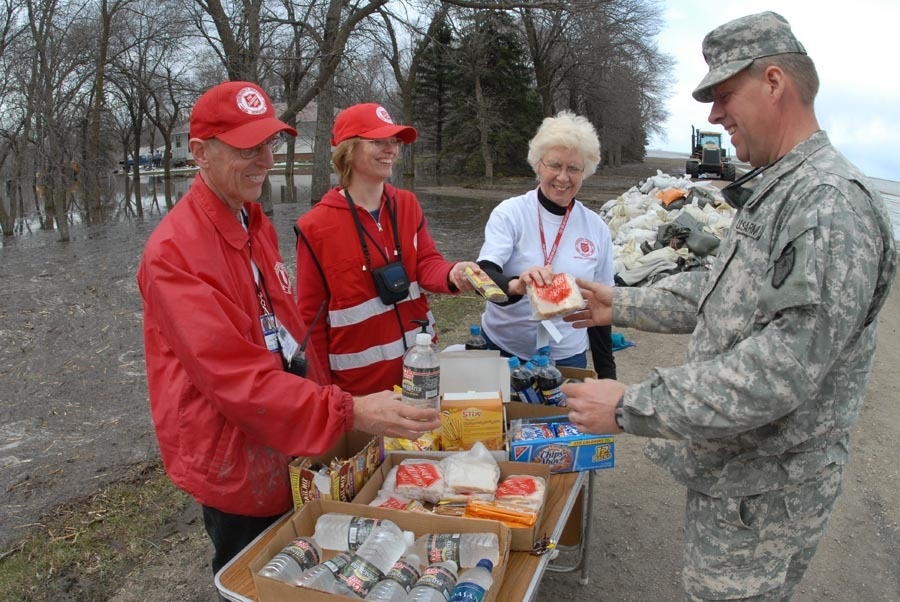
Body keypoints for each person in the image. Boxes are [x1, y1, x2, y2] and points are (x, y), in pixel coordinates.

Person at [561, 12, 896, 600]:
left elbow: (780, 369)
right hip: (737, 477)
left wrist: (631, 404)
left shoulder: (826, 205)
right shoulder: (779, 189)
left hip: (766, 490)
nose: (714, 116)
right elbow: (720, 292)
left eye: (723, 94)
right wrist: (619, 302)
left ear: (773, 82)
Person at [136, 82, 439, 595]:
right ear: (199, 152)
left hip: (285, 436)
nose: (262, 160)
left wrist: (331, 414)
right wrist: (348, 412)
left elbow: (291, 334)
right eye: (244, 148)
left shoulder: (253, 220)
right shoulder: (175, 254)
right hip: (233, 454)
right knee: (252, 578)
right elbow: (238, 382)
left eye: (268, 144)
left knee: (300, 566)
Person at [294, 102, 484, 394]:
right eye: (378, 142)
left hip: (420, 370)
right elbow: (311, 319)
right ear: (348, 149)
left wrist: (452, 273)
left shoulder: (407, 204)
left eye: (394, 141)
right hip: (358, 387)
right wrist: (324, 395)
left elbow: (426, 263)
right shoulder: (315, 226)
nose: (391, 150)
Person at [474, 110, 616, 375]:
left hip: (567, 357)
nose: (563, 177)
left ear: (585, 172)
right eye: (554, 165)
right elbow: (482, 277)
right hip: (504, 350)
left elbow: (600, 306)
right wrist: (517, 285)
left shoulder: (596, 227)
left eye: (573, 168)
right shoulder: (511, 212)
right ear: (538, 164)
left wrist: (608, 376)